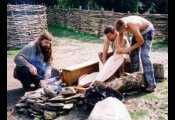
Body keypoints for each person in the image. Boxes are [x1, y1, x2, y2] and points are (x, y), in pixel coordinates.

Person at [115, 15, 156, 92]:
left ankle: (151, 83)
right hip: (138, 32)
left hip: (147, 30)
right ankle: (135, 80)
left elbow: (141, 42)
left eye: (123, 31)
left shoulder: (133, 26)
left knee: (144, 55)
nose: (122, 33)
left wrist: (127, 49)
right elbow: (120, 34)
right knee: (133, 54)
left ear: (126, 27)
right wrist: (118, 47)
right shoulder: (119, 22)